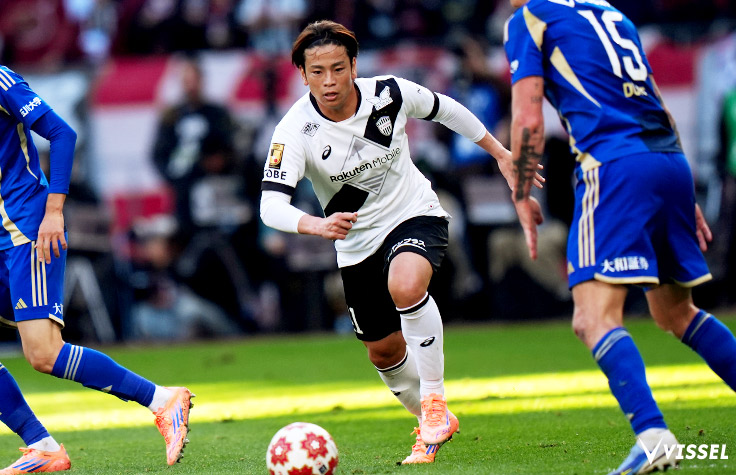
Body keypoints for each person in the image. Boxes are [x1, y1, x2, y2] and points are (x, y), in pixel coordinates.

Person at [260, 20, 542, 465]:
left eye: (338, 68)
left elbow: (446, 109)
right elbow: (270, 206)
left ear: (354, 65)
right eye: (317, 72)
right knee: (383, 351)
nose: (329, 81)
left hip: (414, 213)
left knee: (406, 285)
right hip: (355, 244)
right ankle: (433, 419)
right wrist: (315, 224)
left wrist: (501, 154)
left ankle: (434, 403)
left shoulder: (388, 94)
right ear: (302, 74)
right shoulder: (294, 130)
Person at [504, 1, 736, 474]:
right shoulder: (610, 12)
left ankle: (653, 436)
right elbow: (654, 100)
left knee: (592, 318)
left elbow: (528, 116)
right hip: (667, 160)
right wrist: (678, 185)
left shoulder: (529, 18)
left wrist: (523, 191)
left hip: (613, 167)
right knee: (676, 313)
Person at [0, 64, 193, 471]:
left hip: (26, 227)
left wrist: (54, 211)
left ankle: (163, 400)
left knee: (44, 354)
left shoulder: (2, 81)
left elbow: (63, 133)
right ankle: (43, 448)